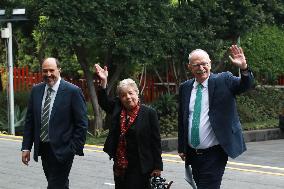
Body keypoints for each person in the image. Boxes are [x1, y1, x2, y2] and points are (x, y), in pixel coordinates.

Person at [178, 45, 254, 189]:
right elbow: (182, 118)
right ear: (189, 67)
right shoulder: (185, 87)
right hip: (193, 154)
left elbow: (245, 85)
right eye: (196, 65)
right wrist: (182, 146)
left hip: (215, 153)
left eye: (204, 64)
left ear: (210, 64)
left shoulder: (224, 80)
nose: (201, 68)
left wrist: (244, 68)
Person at [21, 58, 88, 189]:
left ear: (59, 70)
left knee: (54, 186)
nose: (48, 74)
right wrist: (26, 148)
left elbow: (82, 124)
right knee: (60, 184)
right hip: (44, 148)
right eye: (45, 71)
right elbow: (30, 121)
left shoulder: (72, 91)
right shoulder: (36, 90)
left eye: (52, 70)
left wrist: (72, 148)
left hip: (64, 150)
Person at [94, 64, 163, 189]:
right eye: (123, 95)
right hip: (120, 166)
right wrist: (104, 81)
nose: (128, 97)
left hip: (141, 166)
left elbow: (156, 141)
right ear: (120, 98)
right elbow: (103, 101)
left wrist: (158, 167)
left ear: (137, 93)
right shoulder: (117, 108)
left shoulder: (149, 113)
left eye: (130, 93)